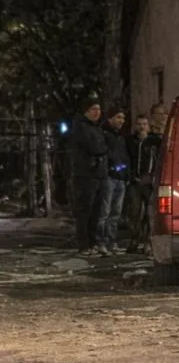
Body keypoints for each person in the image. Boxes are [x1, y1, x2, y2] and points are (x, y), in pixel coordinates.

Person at [69, 95, 109, 257]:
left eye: (98, 109)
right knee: (85, 210)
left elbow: (104, 146)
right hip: (86, 175)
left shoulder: (96, 127)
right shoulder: (81, 127)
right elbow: (95, 147)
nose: (97, 112)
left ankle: (92, 243)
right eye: (93, 109)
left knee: (96, 211)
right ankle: (84, 245)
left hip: (99, 174)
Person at [99, 108, 131, 255]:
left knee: (116, 212)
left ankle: (111, 241)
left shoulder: (120, 137)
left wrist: (125, 172)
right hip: (110, 176)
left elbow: (124, 156)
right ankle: (102, 242)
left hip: (120, 178)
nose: (121, 121)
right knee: (105, 211)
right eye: (118, 117)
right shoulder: (105, 134)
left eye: (123, 118)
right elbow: (107, 154)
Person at [126, 114, 159, 253]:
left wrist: (152, 176)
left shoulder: (155, 141)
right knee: (134, 212)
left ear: (148, 125)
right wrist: (131, 176)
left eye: (144, 124)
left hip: (150, 183)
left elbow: (159, 160)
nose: (142, 127)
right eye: (139, 124)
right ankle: (135, 239)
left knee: (149, 213)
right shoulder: (130, 141)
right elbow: (126, 160)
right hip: (134, 182)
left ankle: (148, 242)